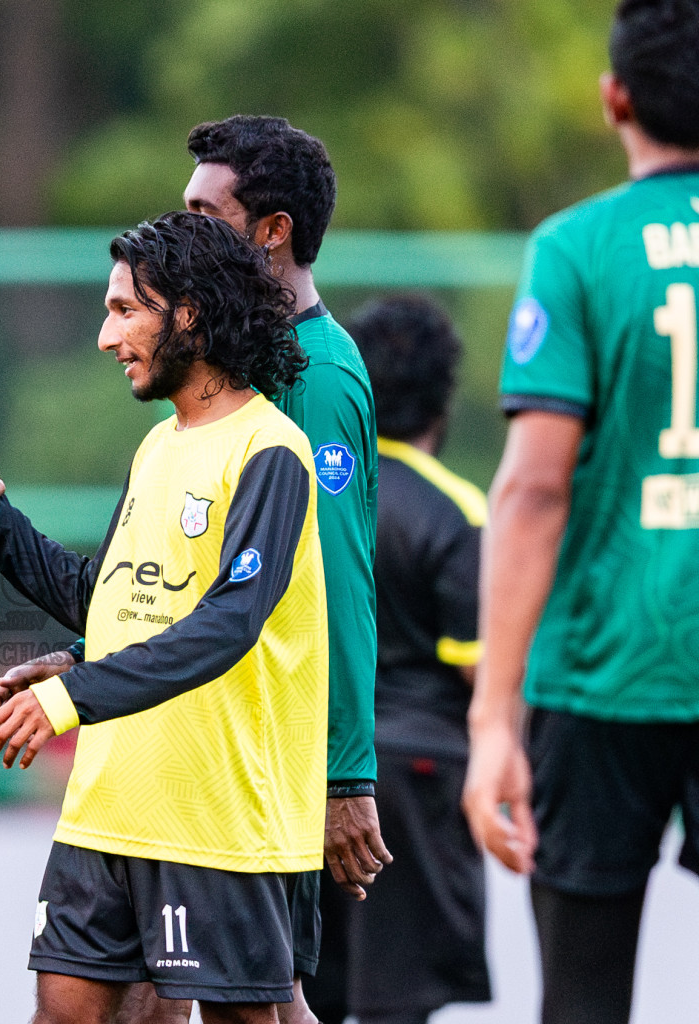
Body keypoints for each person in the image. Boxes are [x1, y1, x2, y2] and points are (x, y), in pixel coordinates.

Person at [0, 114, 388, 1024]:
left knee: (258, 1003)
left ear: (272, 231)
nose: (188, 231)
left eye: (207, 213)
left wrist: (346, 775)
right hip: (149, 757)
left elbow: (324, 592)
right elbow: (158, 583)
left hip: (237, 776)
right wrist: (84, 651)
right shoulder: (173, 428)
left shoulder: (310, 387)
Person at [0, 211, 325, 1024]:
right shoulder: (158, 447)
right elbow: (98, 601)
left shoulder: (271, 451)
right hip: (106, 811)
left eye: (123, 312)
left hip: (215, 824)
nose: (108, 338)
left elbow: (227, 624)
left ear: (191, 313)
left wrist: (65, 700)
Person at [463, 3, 699, 1022]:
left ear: (616, 99)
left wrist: (492, 718)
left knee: (584, 1001)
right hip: (622, 674)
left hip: (600, 676)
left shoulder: (575, 248)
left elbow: (532, 488)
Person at [305, 296, 491, 1024]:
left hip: (311, 765)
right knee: (400, 1001)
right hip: (418, 778)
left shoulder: (313, 487)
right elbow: (482, 673)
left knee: (305, 990)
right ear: (441, 397)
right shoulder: (456, 511)